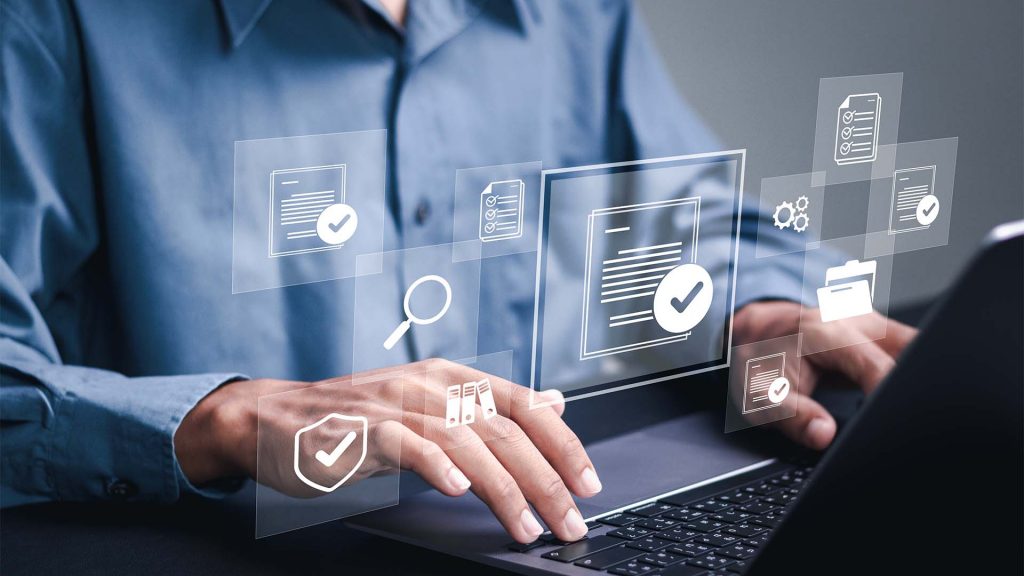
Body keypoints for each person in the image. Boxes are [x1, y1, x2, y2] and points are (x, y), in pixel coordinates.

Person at [0, 0, 914, 545]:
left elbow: (695, 217)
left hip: (554, 534)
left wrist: (757, 302)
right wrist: (220, 418)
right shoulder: (48, 23)